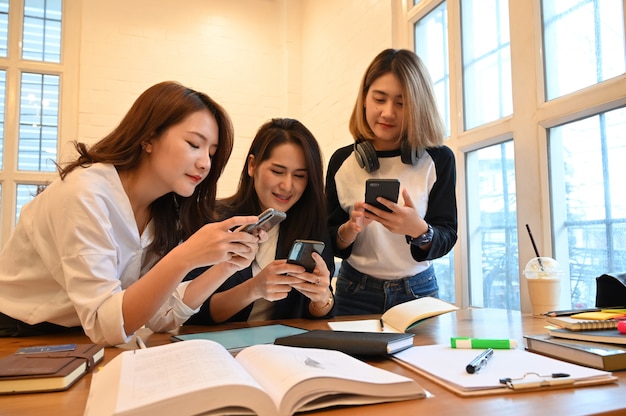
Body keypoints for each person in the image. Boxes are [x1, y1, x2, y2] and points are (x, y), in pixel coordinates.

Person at [0, 81, 263, 345]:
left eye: (211, 153)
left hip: (82, 338)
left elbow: (160, 316)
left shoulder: (164, 211)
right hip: (18, 336)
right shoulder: (85, 194)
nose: (205, 163)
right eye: (194, 144)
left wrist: (225, 267)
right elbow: (105, 324)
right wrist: (186, 256)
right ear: (148, 137)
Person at [325, 49, 457, 315]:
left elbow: (447, 235)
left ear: (418, 105)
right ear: (364, 99)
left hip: (418, 291)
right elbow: (329, 238)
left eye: (401, 102)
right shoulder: (341, 161)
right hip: (354, 290)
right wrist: (350, 229)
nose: (387, 112)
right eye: (379, 98)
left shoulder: (439, 159)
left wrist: (419, 230)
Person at [184, 118, 335, 324]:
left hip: (282, 349)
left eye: (299, 176)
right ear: (252, 165)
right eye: (277, 172)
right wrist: (254, 288)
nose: (287, 186)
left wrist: (322, 297)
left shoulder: (312, 227)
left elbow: (317, 312)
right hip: (219, 347)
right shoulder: (214, 221)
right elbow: (192, 313)